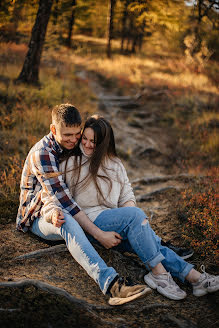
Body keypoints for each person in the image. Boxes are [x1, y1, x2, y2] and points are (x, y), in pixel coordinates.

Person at [42, 115, 219, 301]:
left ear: (104, 142)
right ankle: (158, 274)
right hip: (87, 224)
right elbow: (51, 194)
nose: (86, 144)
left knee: (148, 240)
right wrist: (51, 213)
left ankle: (195, 279)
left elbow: (127, 196)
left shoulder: (114, 164)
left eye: (93, 141)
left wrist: (130, 225)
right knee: (136, 218)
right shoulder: (68, 163)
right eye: (84, 138)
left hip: (112, 222)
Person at [16, 103, 151, 306]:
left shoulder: (71, 147)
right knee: (67, 220)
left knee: (126, 227)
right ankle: (112, 284)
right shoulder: (43, 153)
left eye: (76, 134)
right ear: (53, 130)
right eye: (67, 135)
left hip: (66, 210)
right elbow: (62, 201)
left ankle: (168, 262)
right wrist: (98, 233)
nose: (73, 139)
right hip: (38, 216)